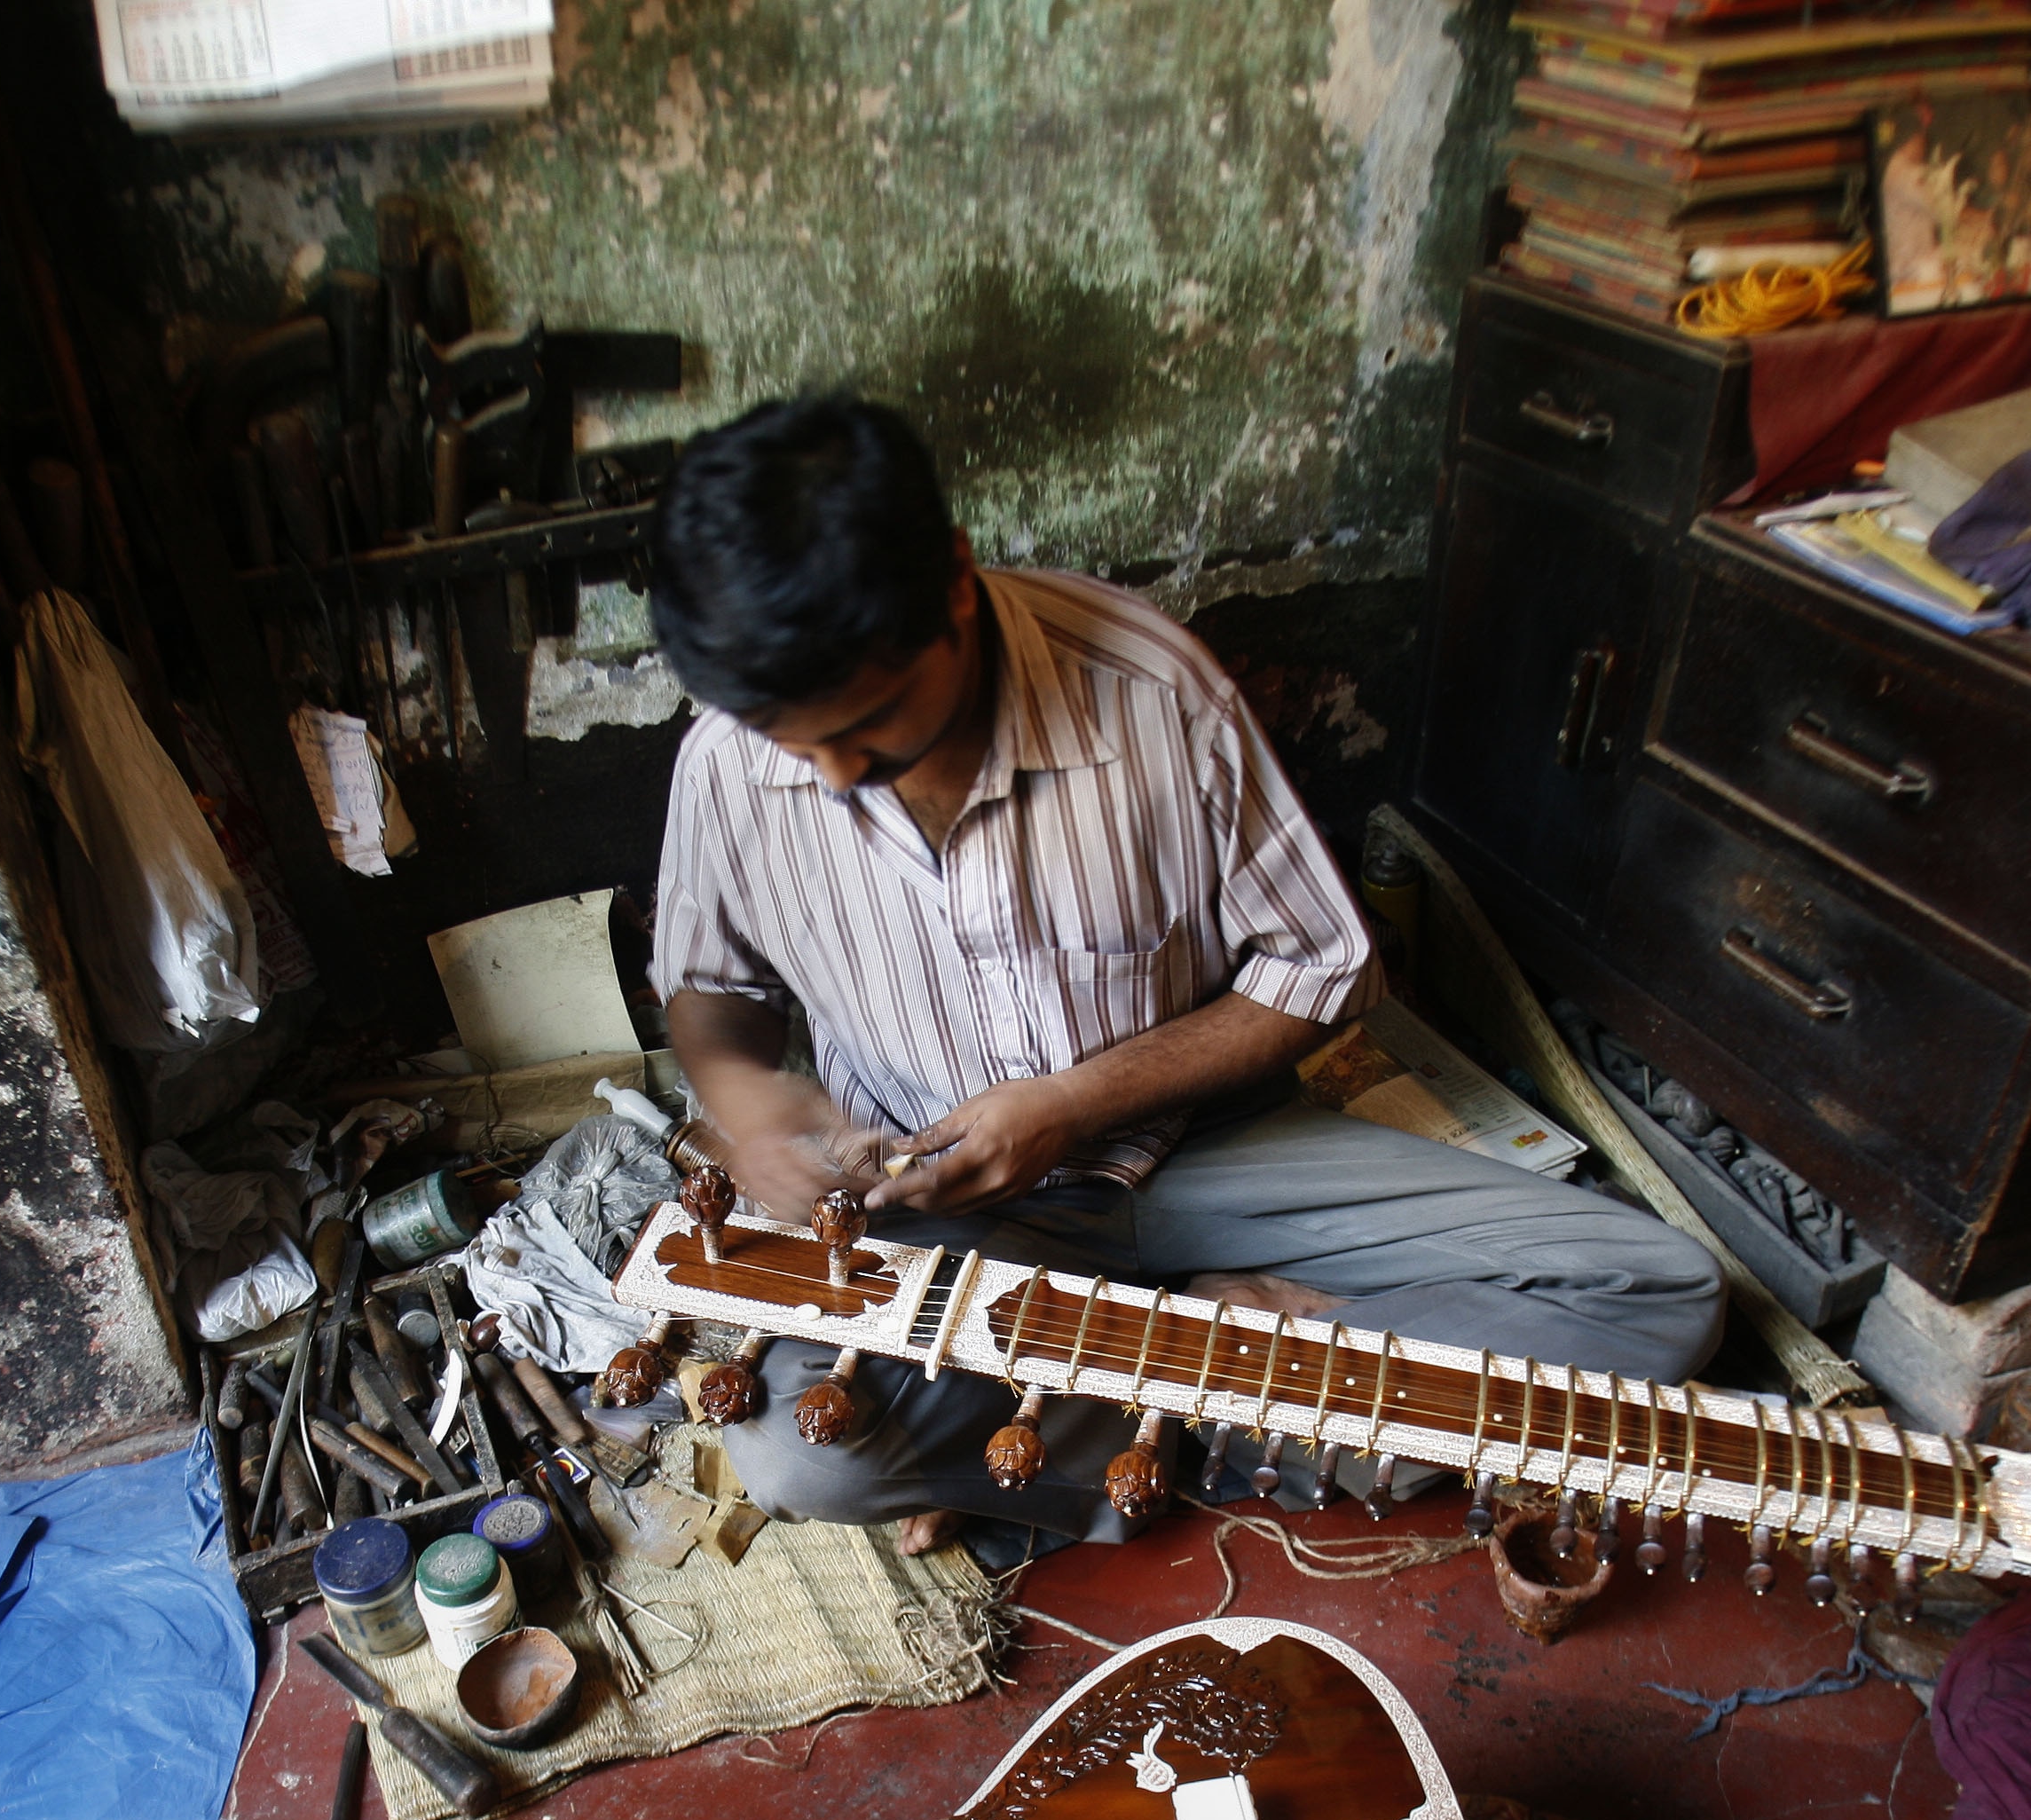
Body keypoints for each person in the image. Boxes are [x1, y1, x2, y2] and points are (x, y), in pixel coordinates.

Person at [642, 394, 1723, 1554]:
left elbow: (1321, 969)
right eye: (793, 745)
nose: (836, 777)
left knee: (1658, 1289)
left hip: (1202, 1152)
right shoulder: (730, 760)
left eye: (868, 725)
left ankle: (1103, 1396)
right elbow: (708, 997)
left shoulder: (1152, 691)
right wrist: (752, 1104)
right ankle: (1220, 1367)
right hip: (949, 1207)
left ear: (953, 582)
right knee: (798, 1452)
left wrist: (1070, 1106)